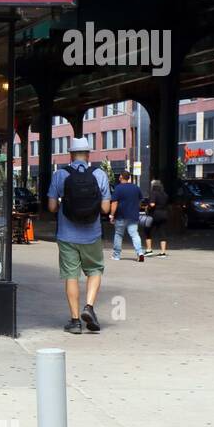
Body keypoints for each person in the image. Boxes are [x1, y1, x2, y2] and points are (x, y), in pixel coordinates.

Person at [47, 136, 111, 334]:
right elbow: (105, 208)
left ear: (71, 154)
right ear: (88, 154)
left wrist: (63, 204)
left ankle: (75, 322)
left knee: (71, 276)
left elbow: (51, 207)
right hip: (92, 233)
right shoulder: (99, 174)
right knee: (95, 270)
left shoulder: (60, 175)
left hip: (67, 235)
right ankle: (89, 307)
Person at [108, 170, 145, 262]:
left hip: (120, 216)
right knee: (134, 234)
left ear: (121, 177)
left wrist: (111, 215)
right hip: (133, 215)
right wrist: (136, 207)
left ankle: (116, 255)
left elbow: (114, 203)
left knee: (118, 235)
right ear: (129, 178)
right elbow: (141, 200)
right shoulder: (136, 188)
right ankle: (140, 253)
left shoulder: (118, 188)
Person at [143, 180, 170, 258]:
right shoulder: (164, 194)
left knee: (148, 230)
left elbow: (152, 204)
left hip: (154, 214)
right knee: (162, 232)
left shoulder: (153, 193)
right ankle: (163, 252)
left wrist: (147, 206)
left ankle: (149, 250)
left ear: (153, 186)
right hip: (164, 214)